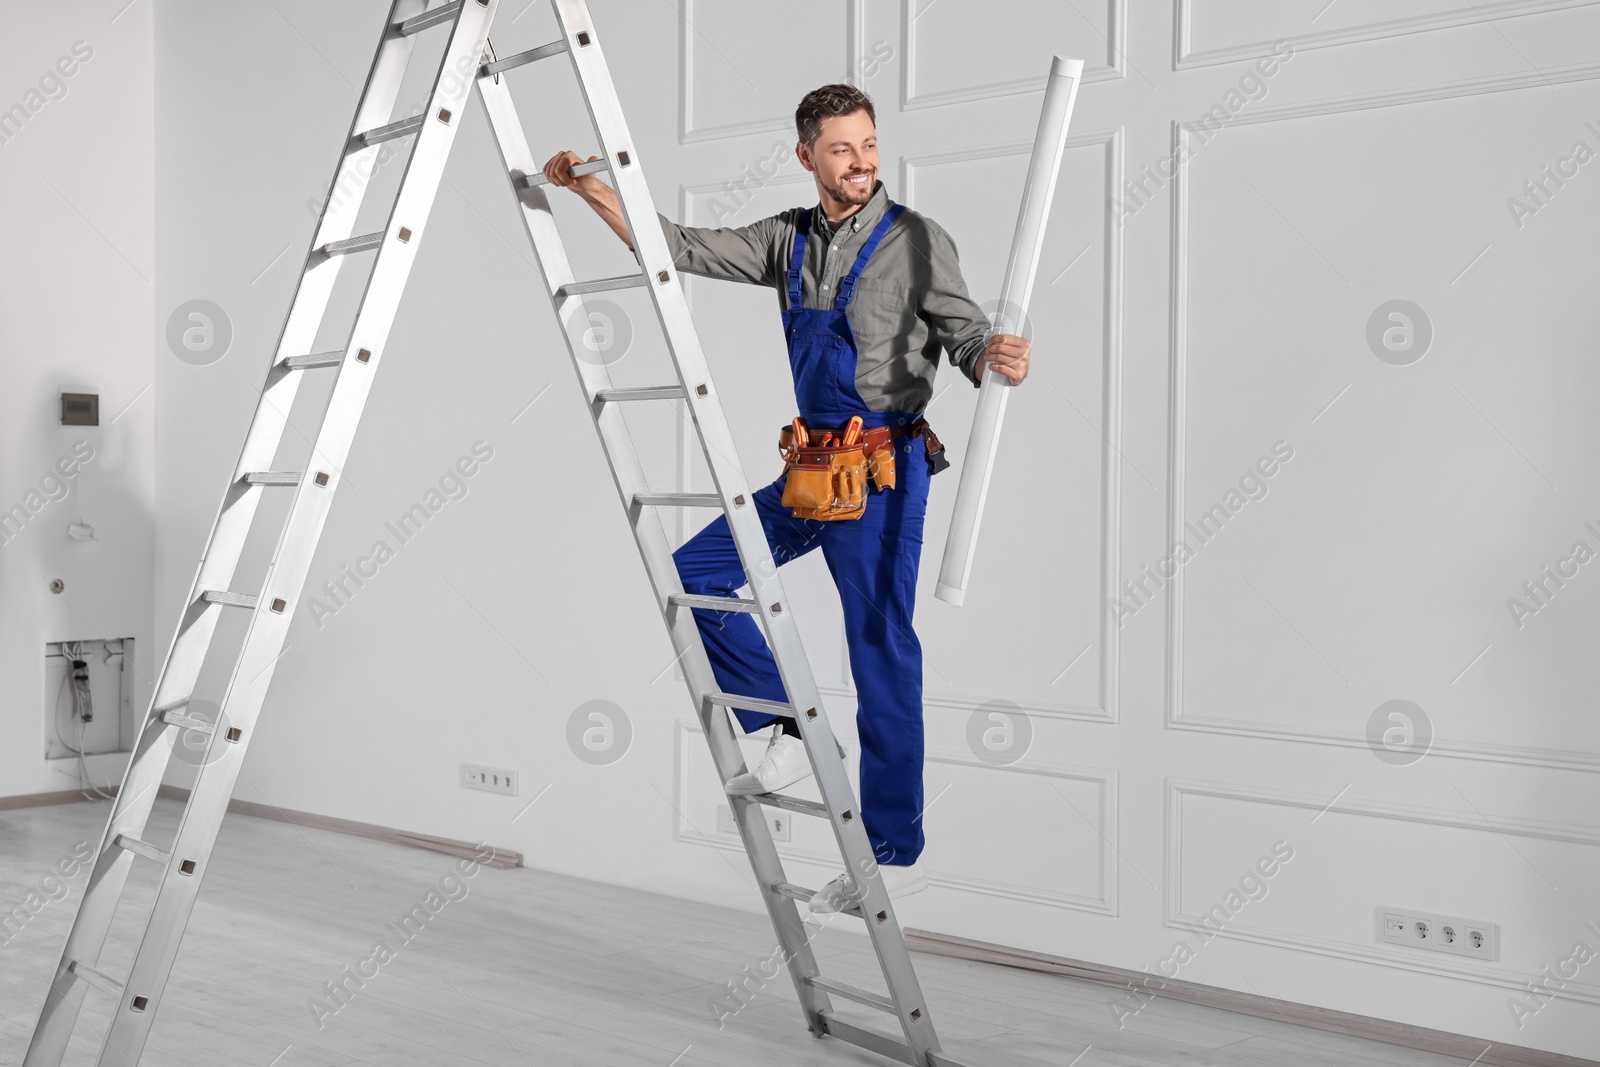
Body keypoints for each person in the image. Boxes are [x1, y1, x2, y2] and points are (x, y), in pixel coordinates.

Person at [542, 83, 1030, 911]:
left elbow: (968, 337)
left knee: (879, 646)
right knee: (694, 573)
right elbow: (678, 249)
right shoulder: (787, 239)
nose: (862, 161)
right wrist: (594, 192)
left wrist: (995, 359)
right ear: (808, 156)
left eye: (870, 144)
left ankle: (887, 842)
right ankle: (787, 724)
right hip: (811, 470)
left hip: (882, 472)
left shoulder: (917, 241)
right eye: (842, 149)